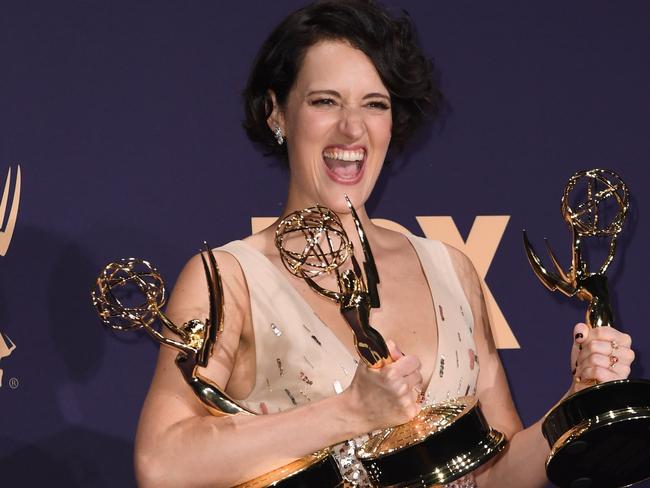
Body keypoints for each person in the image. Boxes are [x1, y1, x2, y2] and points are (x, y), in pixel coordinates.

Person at [134, 1, 636, 487]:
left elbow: (492, 474)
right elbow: (162, 464)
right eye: (325, 101)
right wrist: (349, 412)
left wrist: (580, 402)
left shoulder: (451, 270)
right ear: (276, 113)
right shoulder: (228, 278)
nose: (352, 128)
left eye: (374, 104)